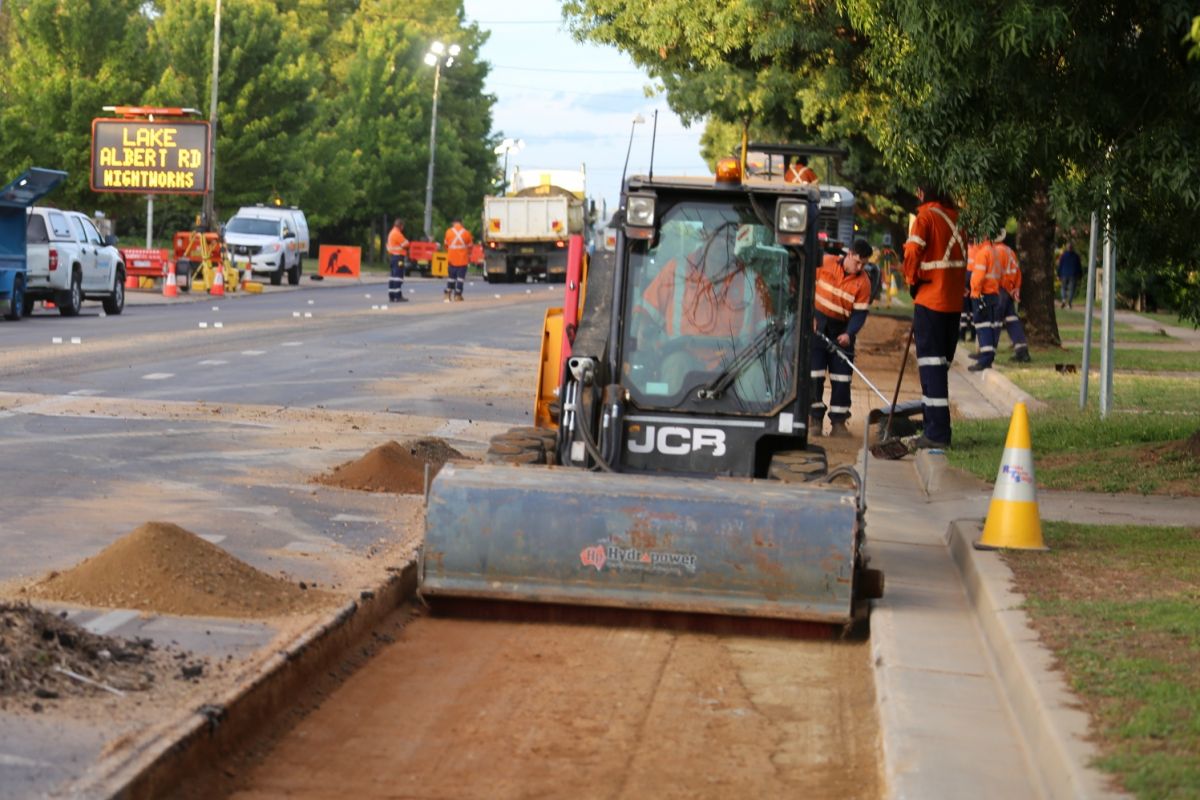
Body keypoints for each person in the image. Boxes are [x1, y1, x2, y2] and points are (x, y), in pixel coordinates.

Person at [901, 184, 968, 450]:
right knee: (939, 366)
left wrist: (911, 280)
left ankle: (937, 432)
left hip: (930, 301)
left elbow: (912, 254)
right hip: (952, 305)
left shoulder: (925, 218)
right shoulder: (957, 220)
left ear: (922, 193)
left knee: (931, 368)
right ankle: (932, 426)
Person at [810, 239, 873, 437]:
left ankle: (838, 422)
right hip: (818, 325)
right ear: (849, 254)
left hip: (842, 330)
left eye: (864, 264)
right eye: (858, 262)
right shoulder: (825, 262)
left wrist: (849, 334)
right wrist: (809, 316)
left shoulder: (864, 283)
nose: (860, 267)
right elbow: (806, 289)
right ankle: (815, 420)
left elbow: (859, 314)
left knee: (842, 377)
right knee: (814, 375)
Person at [966, 236, 1003, 372]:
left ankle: (985, 360)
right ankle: (988, 357)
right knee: (990, 326)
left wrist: (974, 292)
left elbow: (978, 277)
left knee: (983, 326)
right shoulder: (994, 251)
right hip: (993, 294)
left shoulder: (982, 253)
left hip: (982, 294)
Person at [995, 233, 1031, 362]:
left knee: (995, 320)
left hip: (1000, 289)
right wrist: (1014, 288)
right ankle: (1022, 350)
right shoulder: (1009, 251)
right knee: (1012, 320)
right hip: (1009, 289)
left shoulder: (995, 251)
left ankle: (988, 351)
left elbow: (996, 272)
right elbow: (1017, 271)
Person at [443, 217, 473, 302]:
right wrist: (468, 255)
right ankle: (457, 295)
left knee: (451, 278)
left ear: (453, 223)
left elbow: (446, 245)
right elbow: (470, 247)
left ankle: (447, 295)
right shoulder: (466, 233)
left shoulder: (448, 232)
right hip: (462, 260)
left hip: (451, 259)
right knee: (460, 278)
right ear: (461, 222)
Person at [386, 218, 409, 303]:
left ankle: (392, 295)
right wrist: (406, 241)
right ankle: (397, 296)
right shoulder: (397, 233)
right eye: (402, 226)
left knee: (393, 277)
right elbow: (406, 244)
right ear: (400, 226)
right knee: (398, 277)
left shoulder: (391, 233)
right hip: (398, 257)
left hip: (393, 257)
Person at [1057, 242, 1083, 309]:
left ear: (1067, 248)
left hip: (1064, 274)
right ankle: (1069, 302)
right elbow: (1079, 266)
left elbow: (1060, 265)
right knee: (1071, 289)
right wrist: (1080, 275)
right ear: (1072, 248)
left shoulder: (1063, 255)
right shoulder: (1076, 256)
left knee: (1063, 288)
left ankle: (1063, 299)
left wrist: (1058, 274)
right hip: (1073, 275)